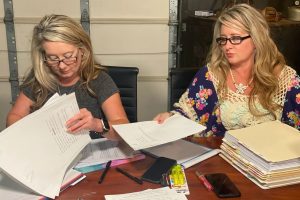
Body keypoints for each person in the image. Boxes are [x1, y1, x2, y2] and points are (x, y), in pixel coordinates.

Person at [154, 4, 300, 137]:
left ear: (256, 39)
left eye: (235, 38)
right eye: (223, 39)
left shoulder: (285, 79)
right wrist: (171, 117)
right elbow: (188, 114)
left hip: (271, 162)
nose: (227, 46)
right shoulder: (211, 75)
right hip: (224, 161)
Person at [6, 14, 129, 140]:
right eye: (53, 58)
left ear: (82, 50)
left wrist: (96, 124)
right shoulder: (39, 77)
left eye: (69, 56)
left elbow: (124, 127)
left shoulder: (99, 79)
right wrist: (30, 135)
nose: (62, 66)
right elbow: (15, 115)